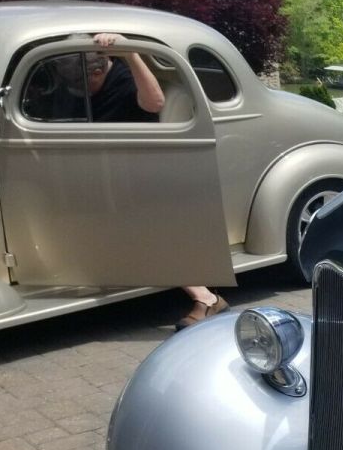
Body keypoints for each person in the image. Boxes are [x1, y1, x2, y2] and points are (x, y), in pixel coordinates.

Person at [51, 34, 227, 330]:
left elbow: (155, 102)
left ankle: (207, 298)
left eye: (84, 84)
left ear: (98, 70)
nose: (80, 92)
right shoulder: (79, 86)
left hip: (142, 168)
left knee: (142, 228)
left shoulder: (124, 78)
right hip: (105, 170)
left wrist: (130, 52)